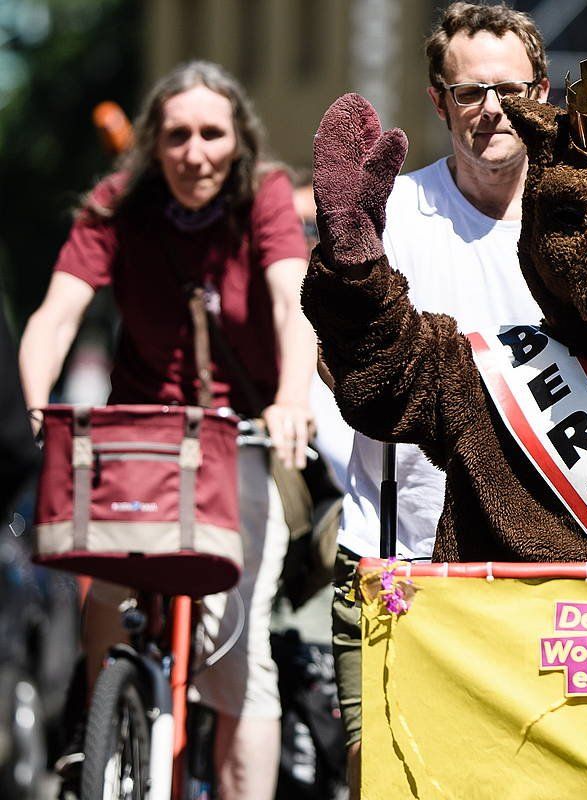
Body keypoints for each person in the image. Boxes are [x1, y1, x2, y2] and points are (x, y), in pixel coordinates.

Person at [18, 61, 314, 799]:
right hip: (139, 436)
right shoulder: (119, 205)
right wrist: (34, 401)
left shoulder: (264, 198)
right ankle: (102, 735)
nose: (195, 153)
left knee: (238, 658)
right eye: (177, 136)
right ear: (153, 145)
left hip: (239, 434)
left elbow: (290, 303)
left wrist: (290, 397)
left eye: (212, 134)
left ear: (239, 142)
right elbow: (55, 316)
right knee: (105, 594)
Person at [327, 3, 547, 794]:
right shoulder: (397, 215)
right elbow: (336, 363)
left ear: (543, 93)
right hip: (399, 554)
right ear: (438, 100)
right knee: (384, 776)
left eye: (510, 90)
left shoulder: (583, 223)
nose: (491, 109)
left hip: (539, 562)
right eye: (469, 93)